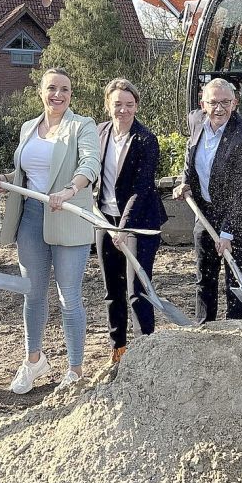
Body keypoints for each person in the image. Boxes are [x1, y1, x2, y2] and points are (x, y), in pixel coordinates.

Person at [0, 68, 100, 393]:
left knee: (69, 296)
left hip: (66, 215)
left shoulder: (82, 126)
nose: (58, 94)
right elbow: (26, 172)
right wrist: (6, 181)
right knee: (32, 294)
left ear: (71, 94)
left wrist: (69, 190)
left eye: (65, 89)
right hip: (31, 219)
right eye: (52, 88)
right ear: (41, 91)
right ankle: (34, 360)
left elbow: (90, 163)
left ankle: (75, 369)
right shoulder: (28, 128)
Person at [172, 78, 242, 322]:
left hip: (239, 216)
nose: (219, 108)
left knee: (235, 281)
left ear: (234, 103)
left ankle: (237, 333)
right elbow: (189, 153)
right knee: (205, 278)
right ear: (203, 103)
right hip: (206, 213)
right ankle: (205, 329)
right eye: (213, 102)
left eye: (225, 102)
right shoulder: (196, 121)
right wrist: (185, 181)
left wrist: (228, 233)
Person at [94, 79, 168, 363]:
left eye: (129, 105)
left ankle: (144, 351)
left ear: (136, 106)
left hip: (139, 224)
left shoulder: (145, 140)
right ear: (108, 105)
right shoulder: (99, 132)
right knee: (112, 289)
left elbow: (142, 187)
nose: (123, 110)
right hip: (105, 220)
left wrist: (124, 226)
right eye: (117, 104)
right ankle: (119, 349)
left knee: (137, 289)